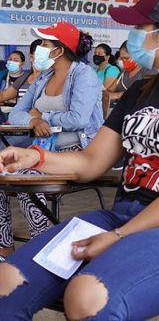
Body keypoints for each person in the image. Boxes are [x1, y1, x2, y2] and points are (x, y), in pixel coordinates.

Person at [0, 0, 159, 320]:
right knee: (6, 281)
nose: (133, 36)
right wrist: (35, 157)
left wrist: (119, 236)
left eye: (140, 27)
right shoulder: (140, 91)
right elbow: (92, 160)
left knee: (87, 296)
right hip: (124, 213)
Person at [0, 21, 103, 260]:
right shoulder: (44, 76)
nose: (39, 49)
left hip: (76, 151)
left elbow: (78, 119)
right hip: (40, 149)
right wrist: (33, 122)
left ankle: (42, 249)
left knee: (26, 179)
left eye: (45, 44)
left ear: (59, 50)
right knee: (3, 170)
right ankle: (4, 247)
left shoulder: (84, 75)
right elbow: (16, 112)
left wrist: (43, 116)